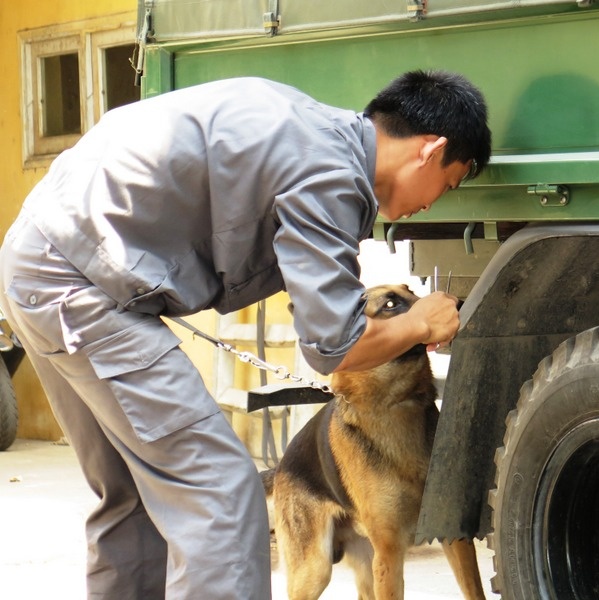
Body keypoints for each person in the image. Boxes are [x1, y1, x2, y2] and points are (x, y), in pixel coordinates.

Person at [0, 70, 491, 599]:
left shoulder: (309, 131)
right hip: (80, 283)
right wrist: (420, 321)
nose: (438, 200)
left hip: (42, 258)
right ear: (429, 150)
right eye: (451, 181)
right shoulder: (331, 172)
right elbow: (336, 346)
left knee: (133, 496)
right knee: (219, 489)